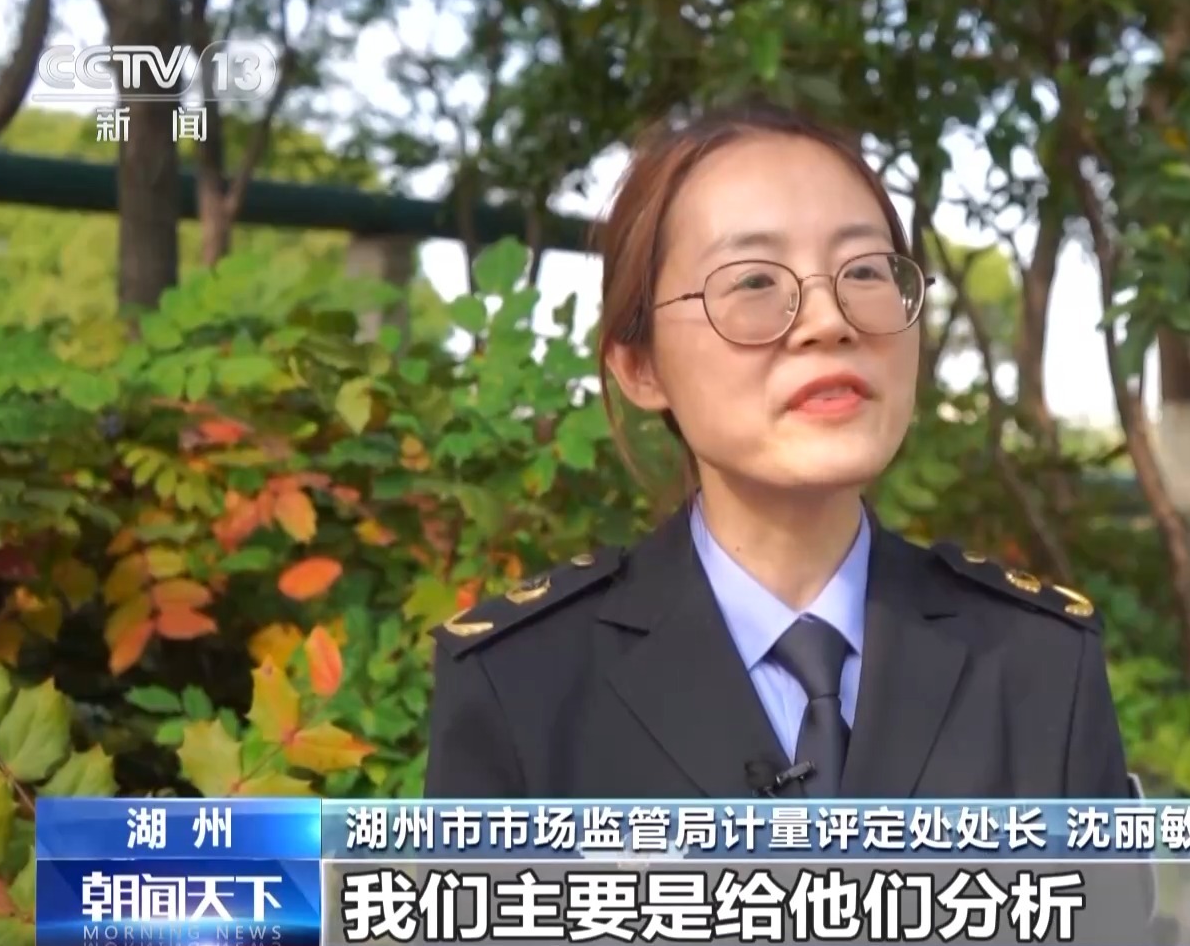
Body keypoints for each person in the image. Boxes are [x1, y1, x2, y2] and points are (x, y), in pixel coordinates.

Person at [423, 101, 1135, 803]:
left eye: (864, 271)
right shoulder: (521, 683)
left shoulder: (1042, 665)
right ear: (640, 366)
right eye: (754, 281)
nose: (828, 321)